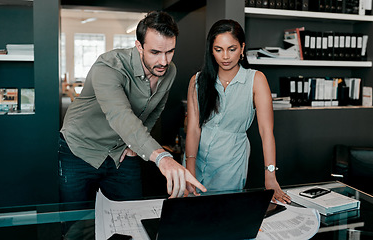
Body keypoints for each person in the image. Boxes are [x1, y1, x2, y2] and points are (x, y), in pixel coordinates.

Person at [59, 11, 206, 204]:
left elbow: (155, 110)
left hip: (122, 153)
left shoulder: (169, 71)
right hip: (80, 150)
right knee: (77, 226)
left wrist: (132, 144)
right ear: (139, 46)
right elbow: (120, 116)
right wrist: (163, 157)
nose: (164, 61)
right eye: (155, 52)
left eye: (170, 51)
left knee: (131, 217)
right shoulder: (108, 66)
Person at [184, 19, 290, 203]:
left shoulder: (256, 80)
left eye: (231, 49)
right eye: (219, 49)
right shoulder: (198, 81)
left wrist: (270, 177)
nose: (225, 56)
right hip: (195, 160)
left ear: (242, 48)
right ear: (211, 50)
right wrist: (189, 168)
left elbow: (266, 133)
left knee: (222, 216)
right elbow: (193, 128)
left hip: (231, 163)